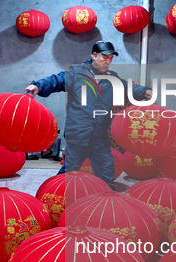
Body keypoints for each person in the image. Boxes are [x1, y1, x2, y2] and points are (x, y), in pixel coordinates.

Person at [26, 41, 153, 190]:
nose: (108, 62)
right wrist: (38, 86)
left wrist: (145, 91)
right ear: (94, 55)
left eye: (111, 58)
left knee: (106, 170)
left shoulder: (111, 78)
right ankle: (55, 194)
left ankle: (107, 198)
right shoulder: (76, 73)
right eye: (105, 58)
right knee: (69, 171)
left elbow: (127, 87)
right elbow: (57, 80)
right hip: (78, 132)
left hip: (99, 134)